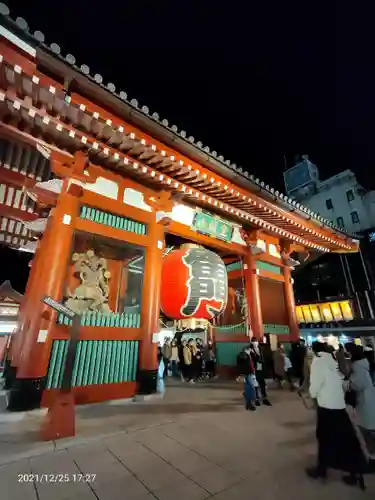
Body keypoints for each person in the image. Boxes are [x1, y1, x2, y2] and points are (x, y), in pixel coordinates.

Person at [306, 341, 367, 489]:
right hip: (338, 404)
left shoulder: (318, 361)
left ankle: (322, 470)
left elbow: (315, 384)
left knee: (324, 437)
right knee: (345, 439)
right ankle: (355, 471)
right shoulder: (334, 359)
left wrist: (311, 394)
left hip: (326, 406)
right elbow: (341, 379)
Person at [349, 345, 375, 432]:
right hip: (367, 398)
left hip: (365, 400)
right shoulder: (362, 367)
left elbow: (358, 385)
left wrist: (348, 384)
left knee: (367, 424)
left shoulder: (358, 368)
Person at [249, 337, 272, 406]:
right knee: (255, 384)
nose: (255, 342)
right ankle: (256, 399)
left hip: (261, 368)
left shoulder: (260, 348)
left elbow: (263, 358)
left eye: (256, 341)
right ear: (251, 342)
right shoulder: (250, 350)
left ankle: (265, 399)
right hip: (254, 369)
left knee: (262, 384)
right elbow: (250, 360)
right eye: (254, 341)